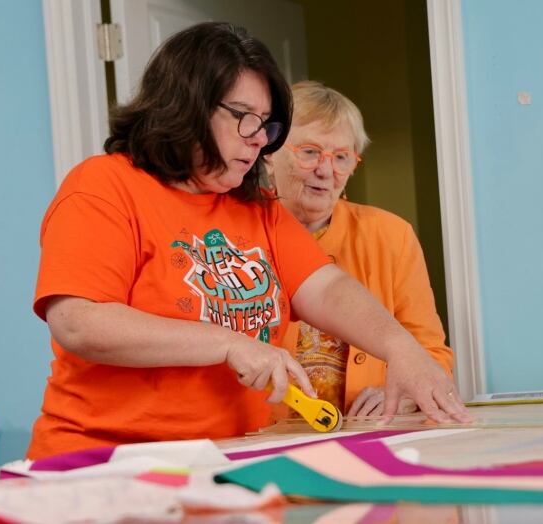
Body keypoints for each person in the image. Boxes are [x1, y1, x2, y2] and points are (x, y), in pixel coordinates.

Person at [28, 23, 469, 460]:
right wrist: (228, 342)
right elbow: (79, 322)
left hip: (229, 460)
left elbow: (328, 288)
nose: (260, 139)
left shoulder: (256, 206)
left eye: (267, 125)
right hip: (105, 461)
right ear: (186, 106)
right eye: (245, 119)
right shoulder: (103, 185)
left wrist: (401, 349)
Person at [267, 81, 456, 418]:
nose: (326, 171)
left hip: (364, 432)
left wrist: (402, 395)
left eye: (341, 157)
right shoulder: (234, 233)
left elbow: (431, 354)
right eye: (309, 152)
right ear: (268, 155)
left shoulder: (391, 235)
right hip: (264, 435)